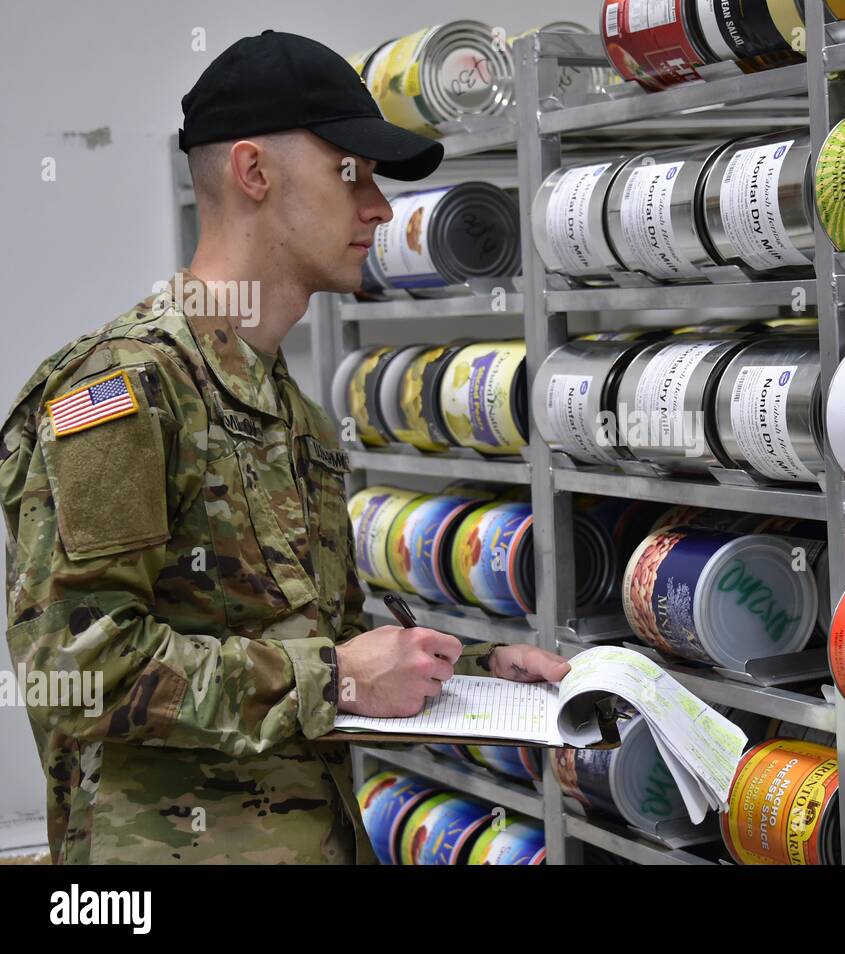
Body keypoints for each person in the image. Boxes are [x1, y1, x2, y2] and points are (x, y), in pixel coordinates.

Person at [0, 30, 568, 864]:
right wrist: (334, 679)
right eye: (353, 171)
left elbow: (308, 637)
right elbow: (73, 672)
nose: (378, 207)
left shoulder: (289, 411)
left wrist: (470, 670)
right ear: (253, 173)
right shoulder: (123, 392)